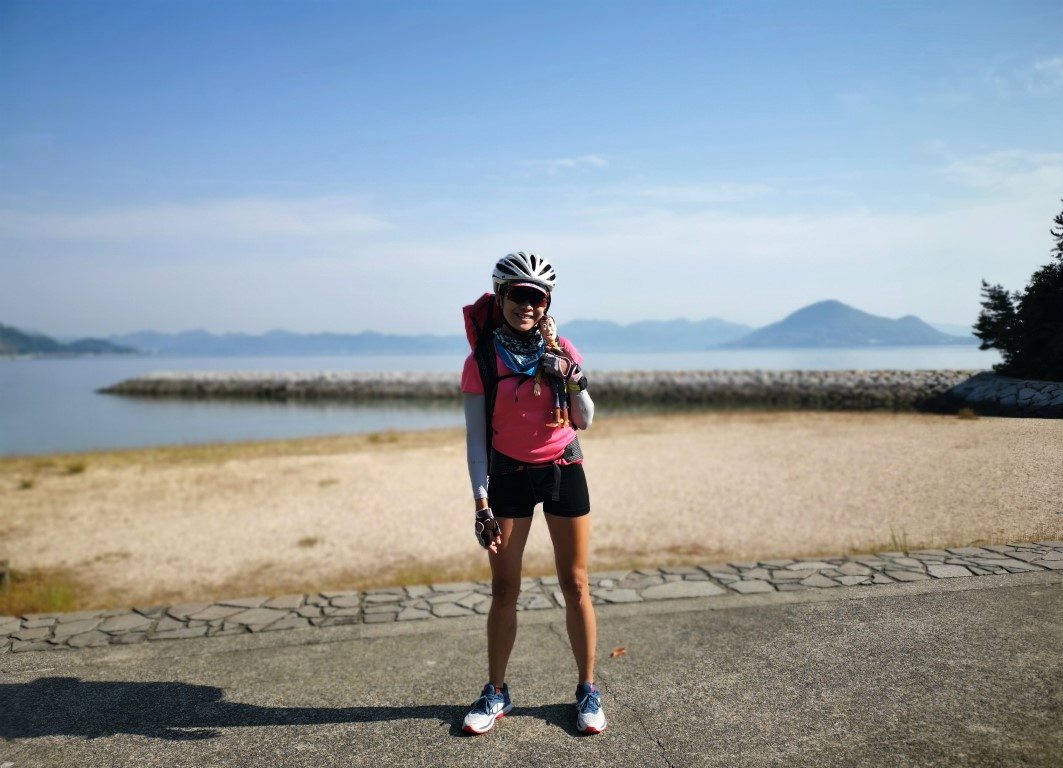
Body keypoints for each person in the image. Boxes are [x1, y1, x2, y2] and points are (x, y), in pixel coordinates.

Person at [460, 251, 606, 735]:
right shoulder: (481, 360)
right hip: (508, 477)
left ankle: (588, 689)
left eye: (537, 296)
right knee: (505, 589)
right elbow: (476, 442)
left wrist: (571, 373)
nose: (528, 304)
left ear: (547, 302)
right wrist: (481, 505)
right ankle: (496, 691)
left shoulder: (561, 346)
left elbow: (586, 418)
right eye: (518, 294)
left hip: (564, 468)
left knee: (576, 584)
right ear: (501, 296)